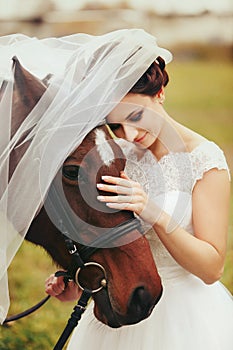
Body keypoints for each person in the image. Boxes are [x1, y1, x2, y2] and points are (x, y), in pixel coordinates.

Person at [45, 34, 233, 350]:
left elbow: (212, 268)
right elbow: (107, 240)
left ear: (159, 93)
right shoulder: (114, 156)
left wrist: (155, 213)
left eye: (135, 117)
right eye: (115, 126)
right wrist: (78, 284)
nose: (129, 135)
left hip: (185, 317)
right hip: (121, 306)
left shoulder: (205, 161)